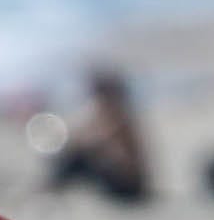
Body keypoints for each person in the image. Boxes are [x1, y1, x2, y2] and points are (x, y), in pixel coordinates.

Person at [37, 66, 150, 206]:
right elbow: (84, 134)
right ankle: (53, 186)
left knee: (78, 157)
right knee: (76, 154)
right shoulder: (113, 113)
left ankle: (52, 187)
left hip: (129, 189)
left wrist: (79, 143)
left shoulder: (117, 115)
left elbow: (102, 143)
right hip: (128, 185)